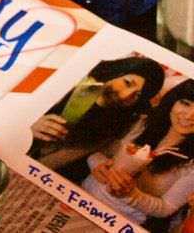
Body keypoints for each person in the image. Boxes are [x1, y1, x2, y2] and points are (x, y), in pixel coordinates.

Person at [27, 56, 165, 181]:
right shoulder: (78, 82)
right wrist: (28, 124)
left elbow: (55, 161)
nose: (125, 95)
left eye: (137, 95)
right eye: (127, 83)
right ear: (117, 72)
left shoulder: (115, 124)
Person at [82, 79, 194, 227]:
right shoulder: (142, 123)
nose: (189, 116)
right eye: (185, 103)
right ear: (173, 101)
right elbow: (99, 152)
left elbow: (166, 208)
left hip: (115, 221)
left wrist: (130, 195)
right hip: (82, 194)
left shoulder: (191, 164)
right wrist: (98, 164)